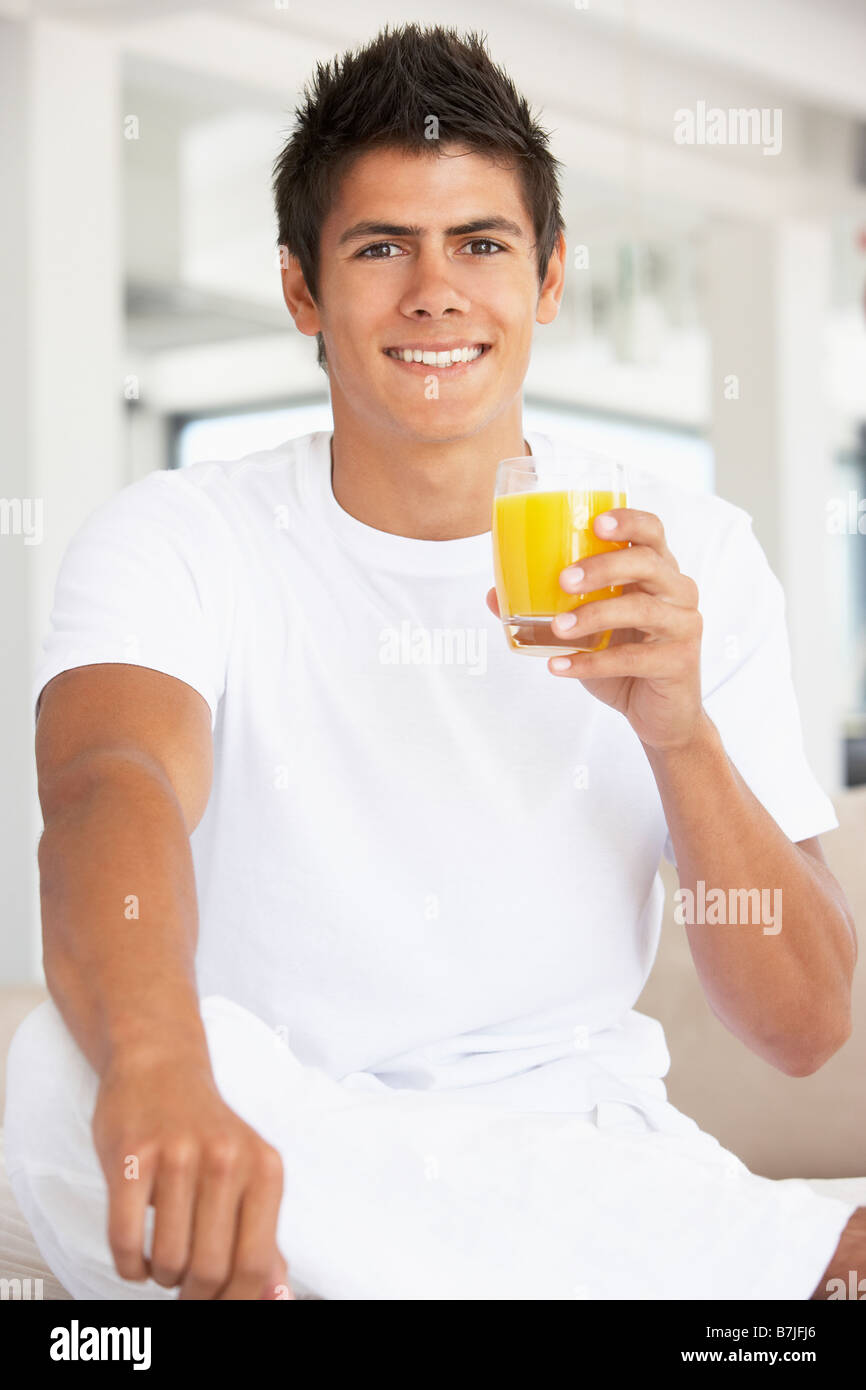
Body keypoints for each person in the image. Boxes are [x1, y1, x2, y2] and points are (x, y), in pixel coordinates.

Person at [4, 23, 862, 1301]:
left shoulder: (691, 556)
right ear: (301, 288)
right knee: (55, 1073)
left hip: (565, 1142)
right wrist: (160, 1062)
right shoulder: (181, 537)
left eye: (479, 243)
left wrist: (678, 731)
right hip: (261, 1120)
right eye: (378, 247)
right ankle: (730, 1267)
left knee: (527, 1182)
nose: (434, 293)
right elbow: (105, 782)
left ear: (550, 276)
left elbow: (803, 1030)